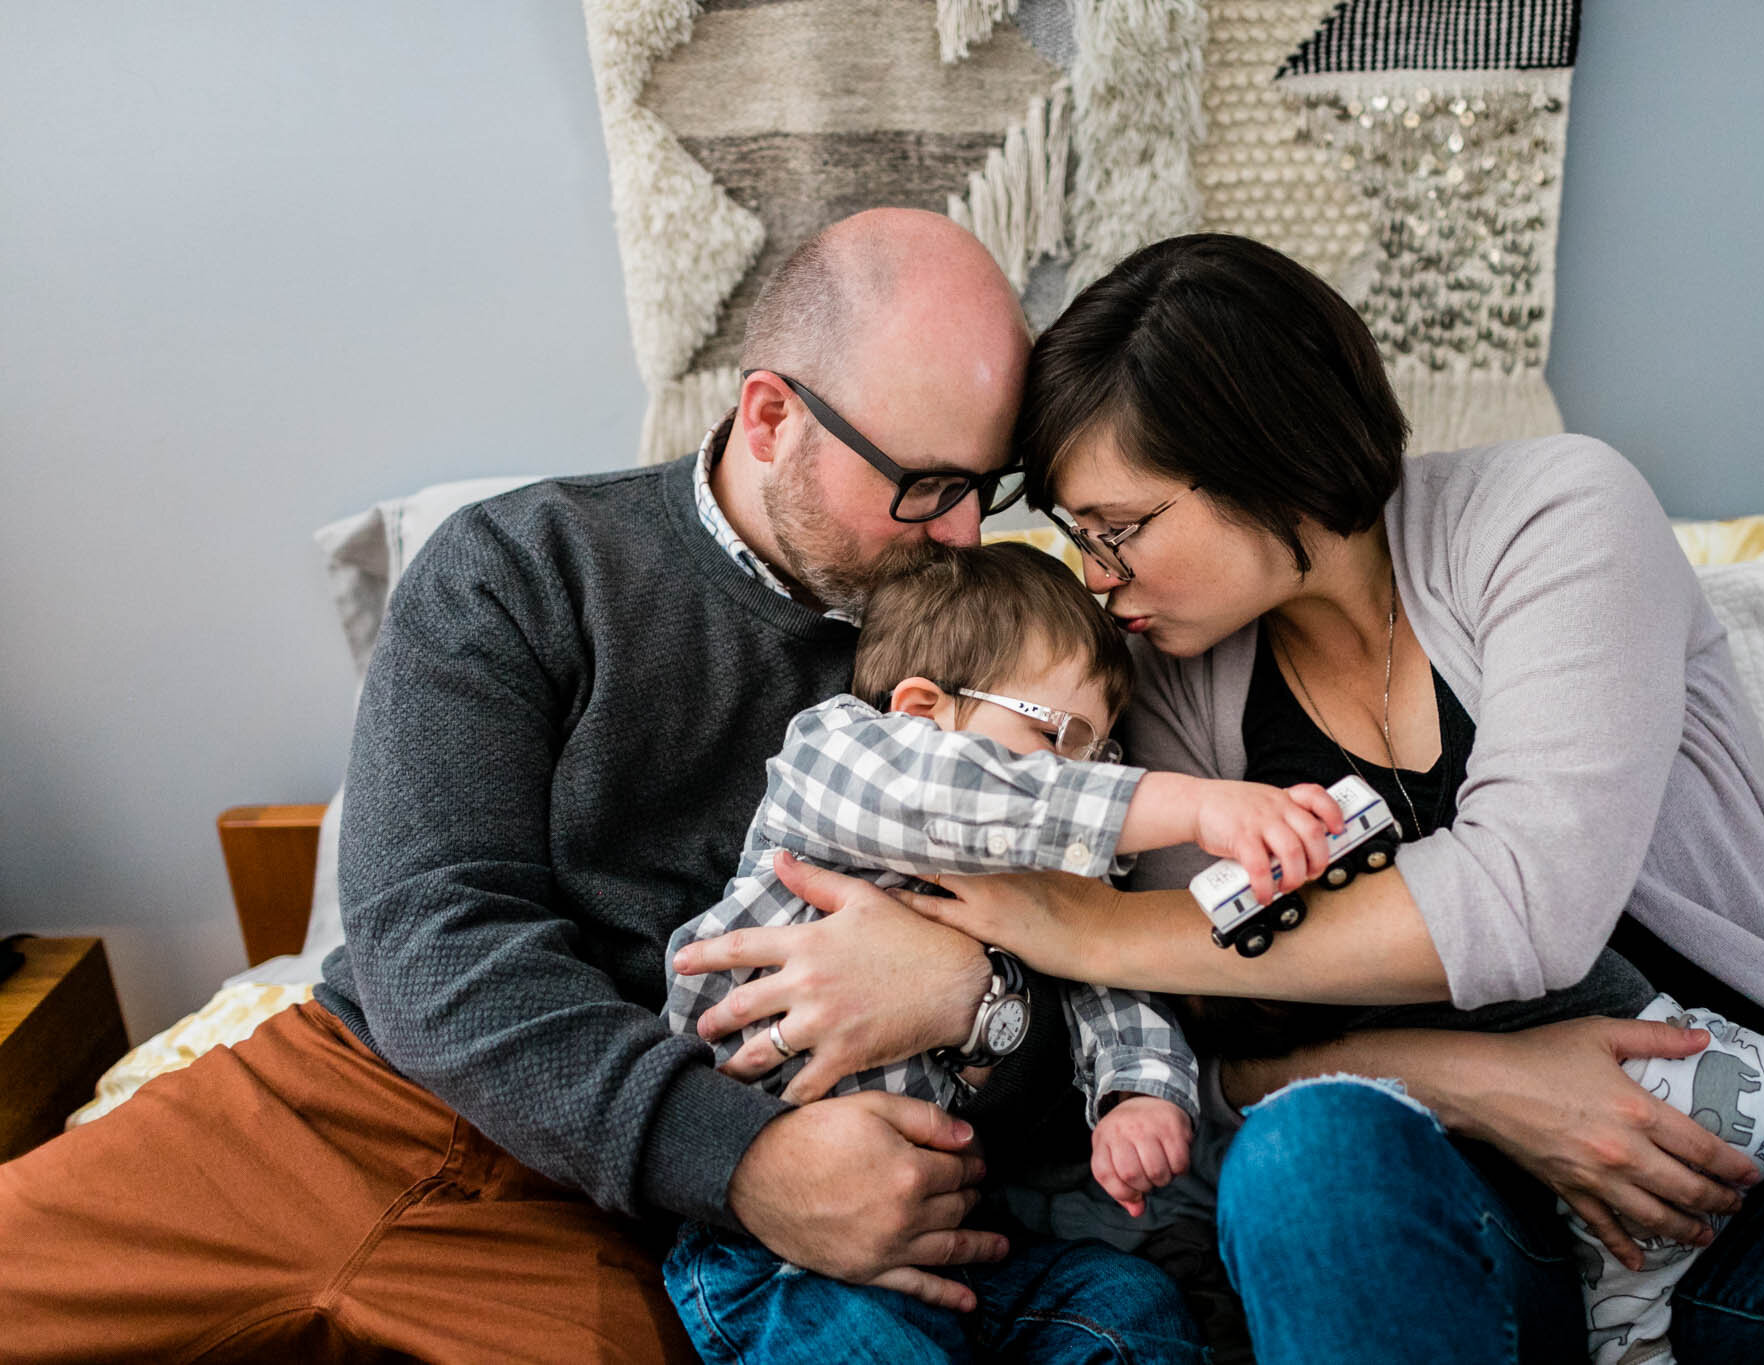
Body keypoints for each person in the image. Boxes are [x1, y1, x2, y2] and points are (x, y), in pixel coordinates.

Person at [701, 232, 1764, 1363]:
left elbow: (1529, 908)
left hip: (1741, 1165)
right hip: (1443, 1207)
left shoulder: (1555, 519)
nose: (1097, 581)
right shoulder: (1162, 693)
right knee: (1310, 1158)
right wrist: (1476, 1081)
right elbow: (1206, 1067)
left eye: (1120, 530)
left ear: (1266, 455)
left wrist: (1089, 929)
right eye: (1077, 539)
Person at [0, 210, 1093, 1359]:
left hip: (620, 1221)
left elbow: (1087, 1030)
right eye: (923, 485)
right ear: (771, 416)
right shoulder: (521, 566)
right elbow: (430, 935)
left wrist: (978, 999)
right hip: (347, 1102)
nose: (966, 534)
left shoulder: (1003, 654)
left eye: (986, 485)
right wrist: (740, 1157)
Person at [664, 540, 1353, 1362]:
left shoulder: (1039, 886)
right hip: (773, 1246)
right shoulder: (837, 757)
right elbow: (971, 796)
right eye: (1058, 737)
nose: (1082, 776)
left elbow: (1114, 974)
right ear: (922, 709)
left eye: (1103, 756)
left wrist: (1140, 1094)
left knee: (1128, 1308)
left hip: (951, 1239)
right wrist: (1182, 804)